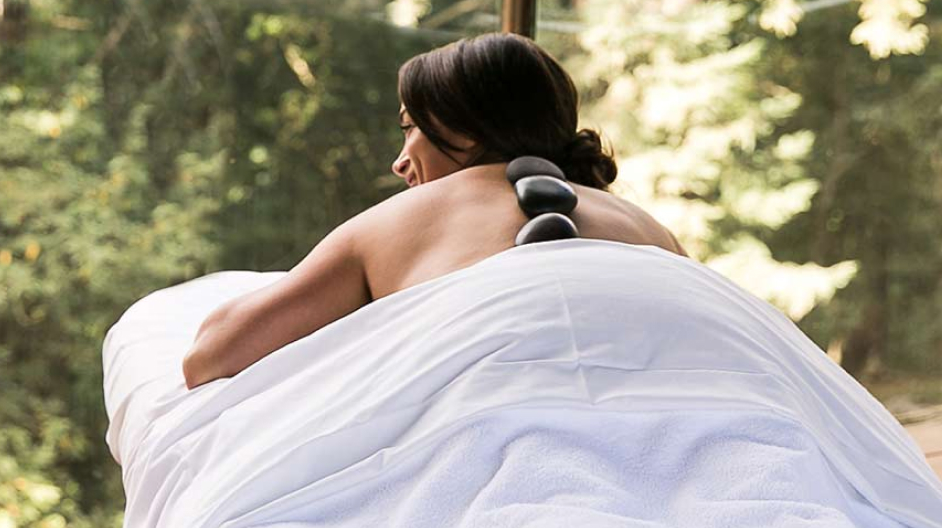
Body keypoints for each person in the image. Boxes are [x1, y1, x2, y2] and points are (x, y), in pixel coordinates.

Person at [182, 33, 684, 388]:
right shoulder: (651, 230)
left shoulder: (406, 218)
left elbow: (212, 355)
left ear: (465, 132)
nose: (400, 162)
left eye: (409, 128)